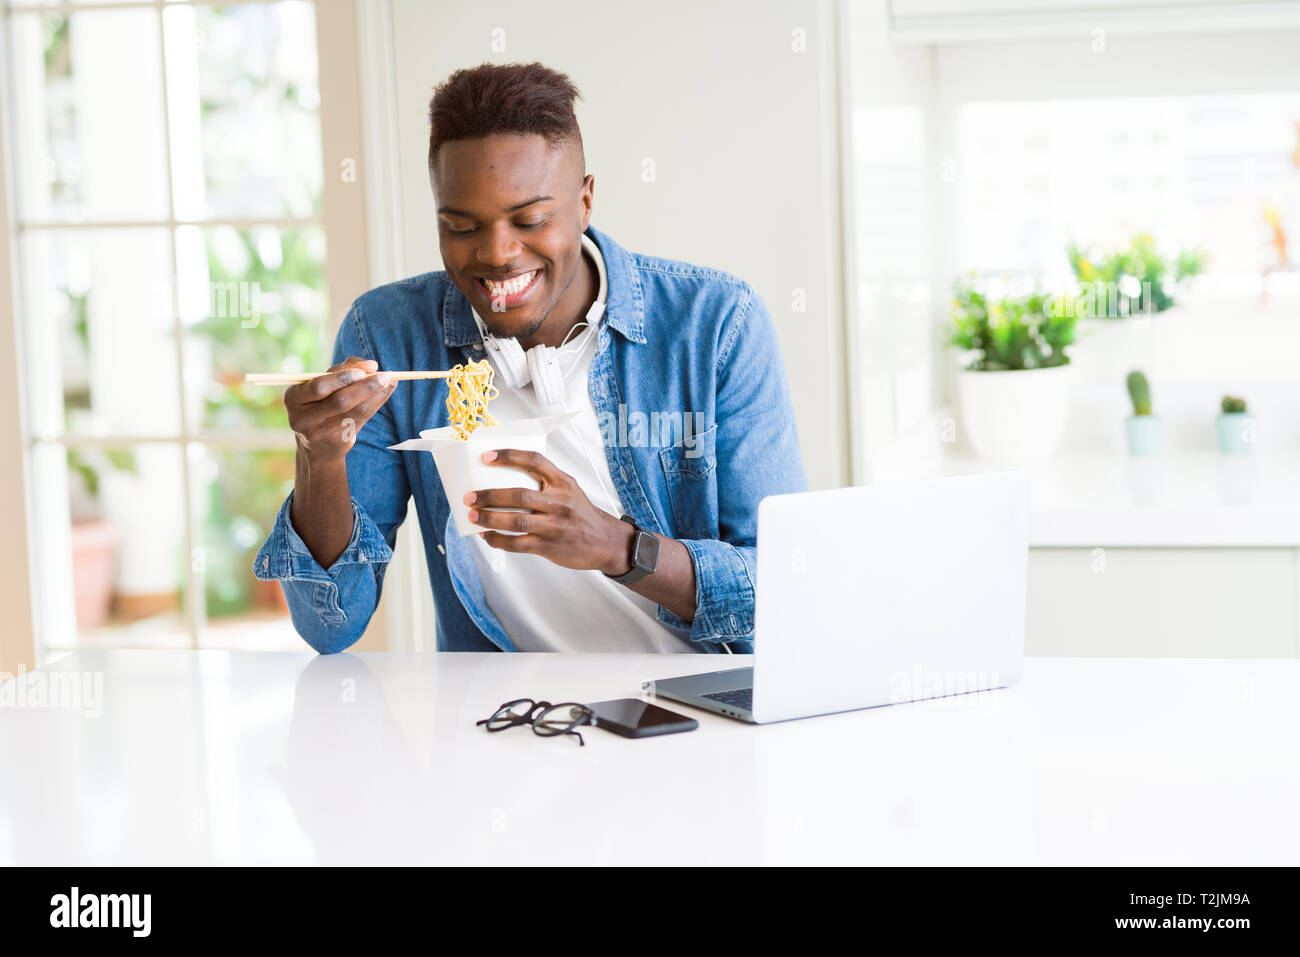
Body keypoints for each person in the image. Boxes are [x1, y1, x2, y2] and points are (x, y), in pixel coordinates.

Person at [253, 62, 806, 653]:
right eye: (462, 226)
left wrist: (617, 547)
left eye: (531, 220)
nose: (496, 254)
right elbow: (330, 625)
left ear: (586, 201)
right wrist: (320, 459)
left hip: (696, 714)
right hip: (506, 721)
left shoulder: (717, 324)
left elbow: (787, 590)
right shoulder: (388, 333)